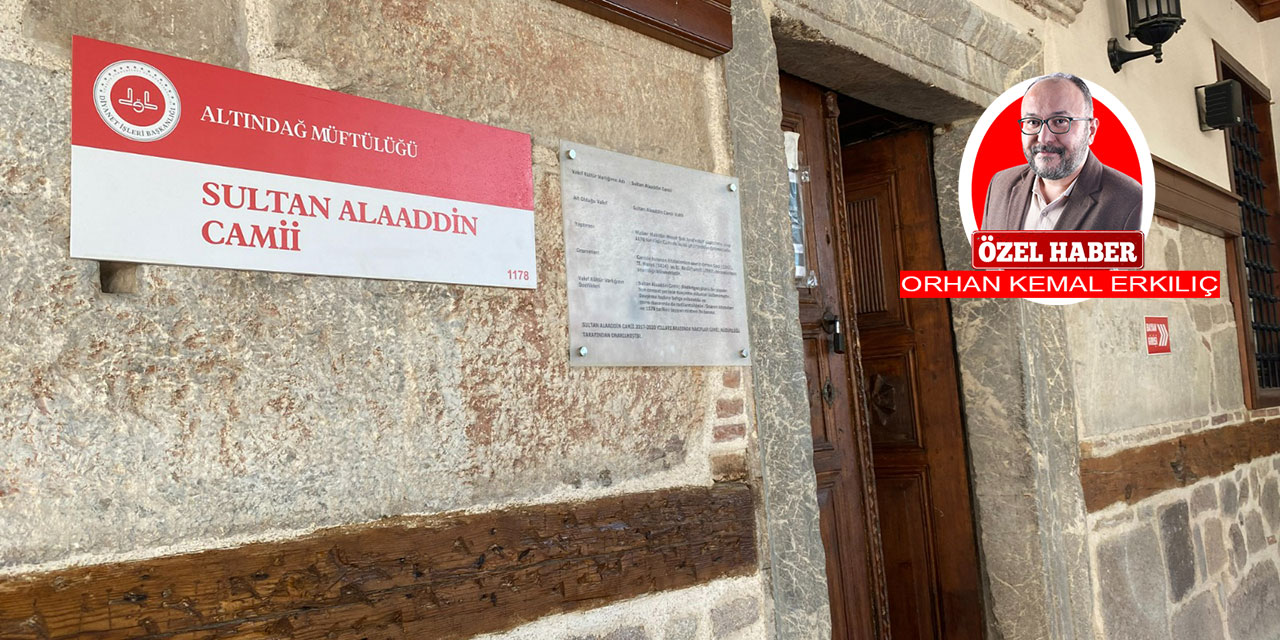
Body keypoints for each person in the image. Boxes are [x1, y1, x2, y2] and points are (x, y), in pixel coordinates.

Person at [981, 73, 1142, 231]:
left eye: (1060, 122)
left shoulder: (1131, 202)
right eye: (1033, 122)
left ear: (1091, 130)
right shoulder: (1000, 184)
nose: (1044, 138)